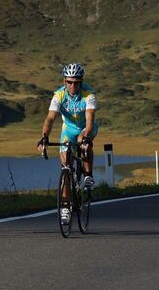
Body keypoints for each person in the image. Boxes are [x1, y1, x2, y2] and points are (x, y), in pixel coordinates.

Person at [37, 63, 98, 225]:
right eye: (69, 82)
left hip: (85, 128)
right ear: (64, 81)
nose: (73, 86)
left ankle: (88, 175)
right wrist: (44, 137)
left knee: (83, 143)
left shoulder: (88, 94)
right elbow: (50, 118)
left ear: (81, 81)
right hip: (68, 130)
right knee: (65, 167)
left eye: (76, 82)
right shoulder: (59, 95)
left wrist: (86, 136)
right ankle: (65, 206)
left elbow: (90, 120)